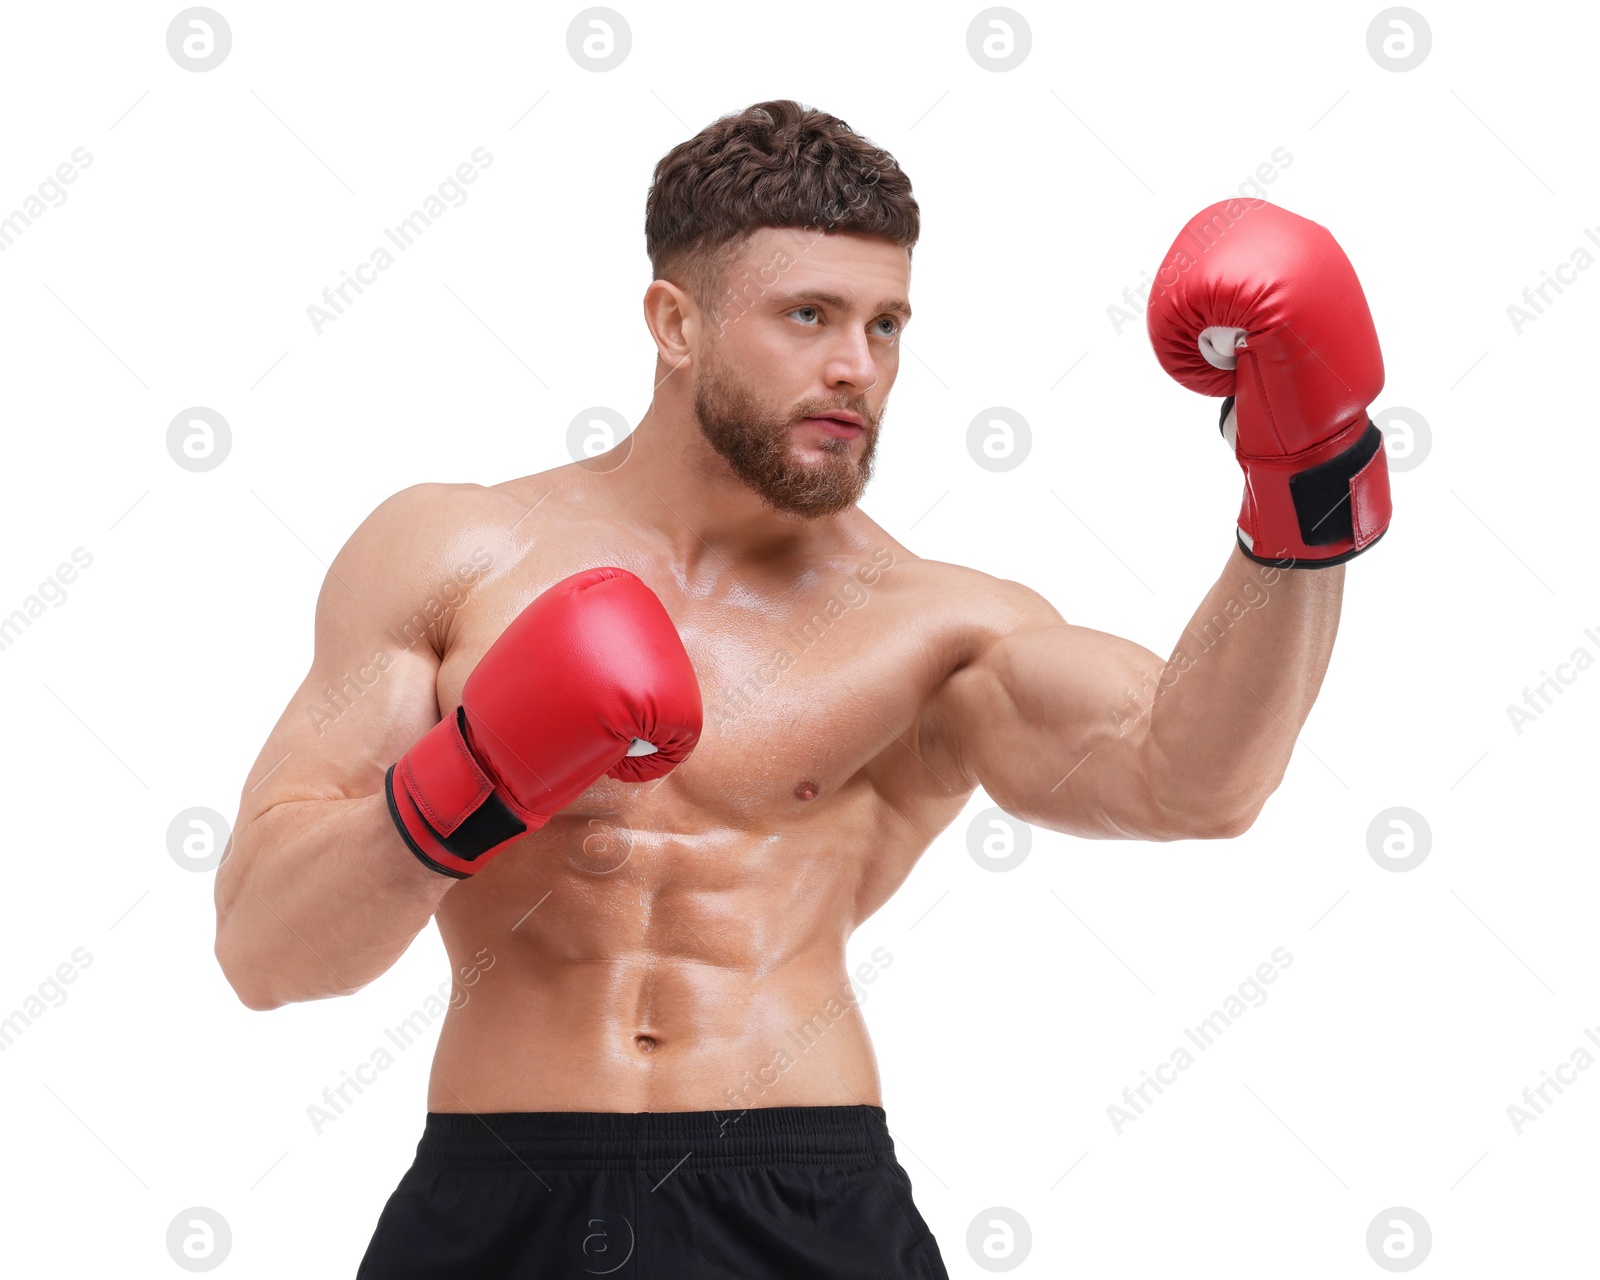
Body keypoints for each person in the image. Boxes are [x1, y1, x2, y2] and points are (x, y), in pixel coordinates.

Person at [213, 99, 1392, 1279]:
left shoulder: (934, 623)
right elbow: (266, 952)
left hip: (800, 1201)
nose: (856, 367)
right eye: (809, 316)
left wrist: (1309, 479)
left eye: (886, 324)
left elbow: (1193, 779)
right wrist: (477, 772)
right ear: (673, 322)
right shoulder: (449, 552)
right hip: (494, 1197)